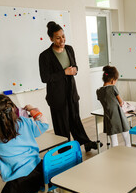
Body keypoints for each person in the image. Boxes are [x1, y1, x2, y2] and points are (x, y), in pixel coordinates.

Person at [39, 21, 100, 152]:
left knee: (75, 121)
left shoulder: (69, 49)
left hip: (71, 93)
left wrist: (74, 70)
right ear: (51, 38)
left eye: (63, 36)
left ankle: (86, 143)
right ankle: (65, 151)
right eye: (58, 37)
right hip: (57, 97)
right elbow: (45, 78)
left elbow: (75, 66)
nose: (62, 40)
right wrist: (64, 72)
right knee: (62, 126)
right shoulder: (45, 56)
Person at [96, 66, 131, 147]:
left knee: (114, 141)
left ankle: (114, 156)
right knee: (126, 137)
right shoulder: (113, 88)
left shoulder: (98, 91)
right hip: (119, 115)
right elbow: (121, 102)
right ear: (112, 80)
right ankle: (129, 150)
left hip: (108, 117)